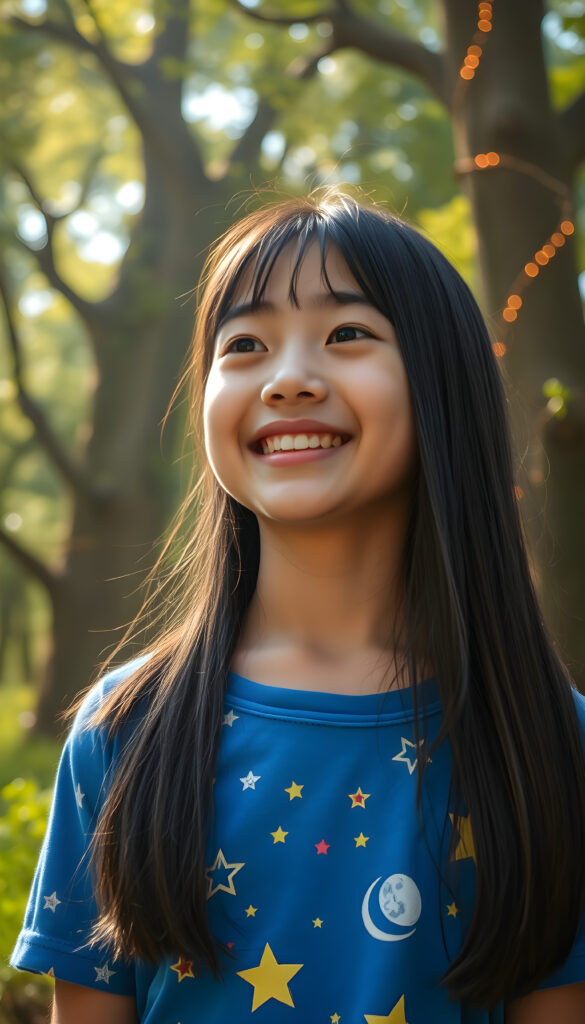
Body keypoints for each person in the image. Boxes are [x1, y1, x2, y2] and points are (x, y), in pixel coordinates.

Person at [10, 190, 585, 1024]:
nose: (286, 380)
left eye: (346, 333)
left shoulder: (549, 742)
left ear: (443, 383)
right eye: (244, 345)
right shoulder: (126, 727)